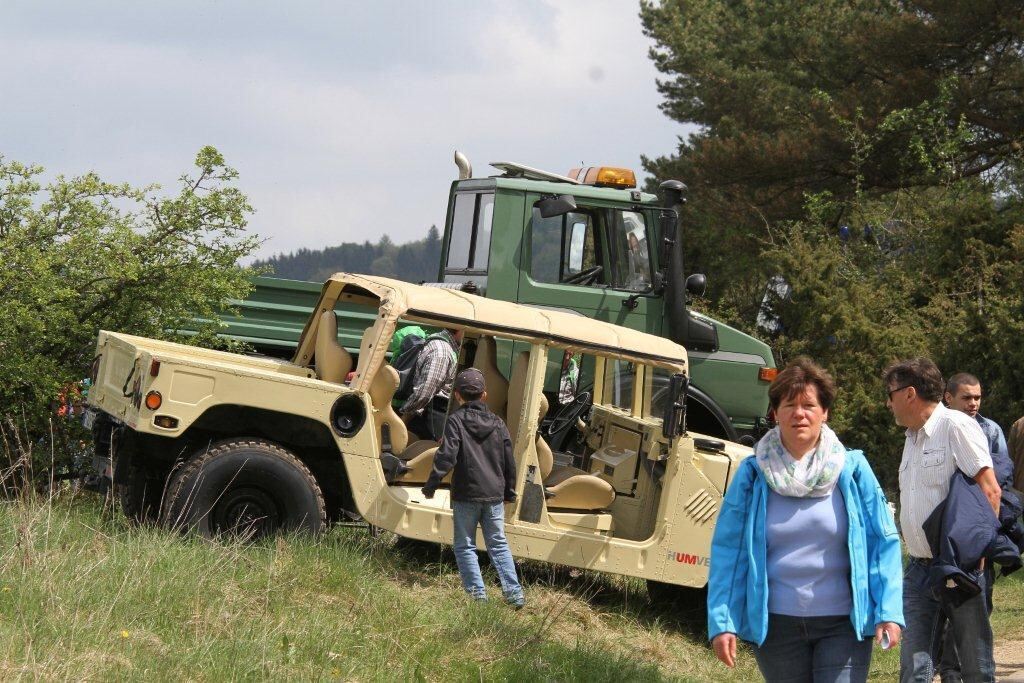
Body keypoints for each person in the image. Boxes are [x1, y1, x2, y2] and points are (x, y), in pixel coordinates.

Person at [708, 357, 903, 682]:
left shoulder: (852, 470)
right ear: (775, 413)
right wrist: (722, 621)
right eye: (789, 404)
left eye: (809, 405)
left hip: (844, 625)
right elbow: (729, 550)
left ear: (824, 412)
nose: (799, 413)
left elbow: (882, 542)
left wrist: (888, 611)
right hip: (776, 629)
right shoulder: (753, 474)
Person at [884, 358, 1001, 683]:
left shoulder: (956, 426)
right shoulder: (911, 436)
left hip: (958, 567)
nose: (887, 401)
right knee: (914, 667)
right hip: (919, 568)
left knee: (974, 665)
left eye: (890, 393)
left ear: (909, 394)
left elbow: (990, 490)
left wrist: (974, 556)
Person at [421, 368, 525, 607]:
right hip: (494, 496)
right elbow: (509, 461)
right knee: (498, 544)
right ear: (484, 395)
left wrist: (431, 484)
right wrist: (509, 492)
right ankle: (514, 594)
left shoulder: (455, 421)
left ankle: (478, 597)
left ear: (457, 395)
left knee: (465, 545)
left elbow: (447, 456)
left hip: (466, 493)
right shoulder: (499, 424)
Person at [938, 373, 1016, 682]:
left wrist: (988, 537)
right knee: (943, 603)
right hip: (943, 528)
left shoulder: (991, 430)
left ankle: (965, 668)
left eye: (977, 397)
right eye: (966, 397)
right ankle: (949, 669)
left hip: (978, 530)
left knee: (980, 601)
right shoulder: (935, 430)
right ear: (948, 397)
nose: (973, 403)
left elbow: (1000, 481)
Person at [399, 328, 461, 441]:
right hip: (427, 419)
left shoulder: (444, 347)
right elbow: (425, 392)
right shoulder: (441, 352)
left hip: (427, 416)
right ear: (459, 329)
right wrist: (402, 422)